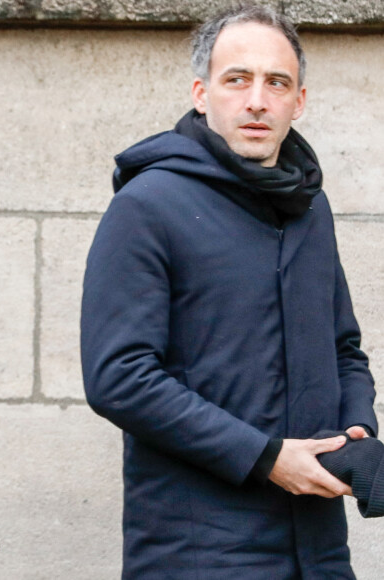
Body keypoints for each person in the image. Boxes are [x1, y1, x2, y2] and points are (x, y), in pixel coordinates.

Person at [80, 5, 378, 579]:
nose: (257, 100)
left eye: (277, 83)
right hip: (200, 553)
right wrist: (266, 459)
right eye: (237, 79)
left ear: (299, 101)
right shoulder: (146, 207)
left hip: (317, 551)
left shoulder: (311, 211)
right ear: (201, 92)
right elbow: (118, 376)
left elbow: (344, 350)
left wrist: (356, 427)